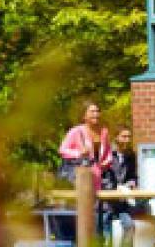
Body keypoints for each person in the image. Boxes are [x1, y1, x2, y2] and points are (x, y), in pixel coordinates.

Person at [58, 100, 113, 245]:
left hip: (98, 179)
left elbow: (107, 153)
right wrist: (78, 152)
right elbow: (62, 150)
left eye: (97, 111)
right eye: (92, 111)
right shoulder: (76, 131)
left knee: (98, 218)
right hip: (82, 180)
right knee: (84, 218)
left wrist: (106, 162)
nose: (96, 114)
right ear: (84, 115)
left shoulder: (104, 132)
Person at [108, 126, 138, 247]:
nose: (127, 140)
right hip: (107, 201)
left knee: (130, 225)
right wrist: (114, 188)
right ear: (116, 137)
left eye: (129, 137)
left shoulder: (131, 155)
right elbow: (103, 176)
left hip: (123, 202)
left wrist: (132, 183)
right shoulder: (108, 154)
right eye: (124, 136)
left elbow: (133, 176)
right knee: (105, 230)